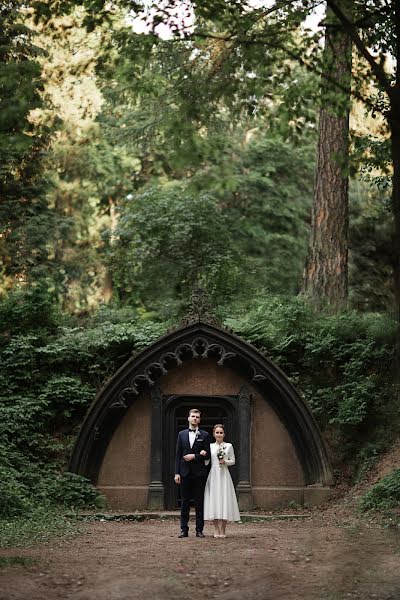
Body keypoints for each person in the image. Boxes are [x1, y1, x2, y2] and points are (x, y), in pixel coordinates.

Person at [174, 408, 211, 538]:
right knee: (184, 503)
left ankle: (199, 530)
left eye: (197, 417)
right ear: (188, 418)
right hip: (184, 473)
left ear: (199, 420)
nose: (195, 418)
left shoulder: (205, 435)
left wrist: (195, 456)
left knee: (199, 503)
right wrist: (176, 473)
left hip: (199, 473)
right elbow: (178, 455)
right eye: (193, 416)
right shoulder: (181, 434)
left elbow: (208, 456)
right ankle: (184, 530)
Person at [203, 423, 240, 538]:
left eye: (221, 432)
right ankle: (216, 528)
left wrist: (225, 462)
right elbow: (206, 462)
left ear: (224, 434)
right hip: (213, 475)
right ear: (214, 434)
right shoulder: (210, 446)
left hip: (224, 475)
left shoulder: (228, 446)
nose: (219, 434)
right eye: (217, 432)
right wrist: (204, 456)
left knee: (224, 499)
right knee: (214, 500)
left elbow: (233, 460)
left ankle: (223, 528)